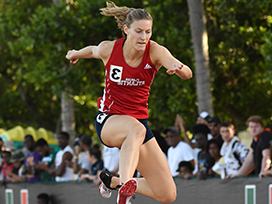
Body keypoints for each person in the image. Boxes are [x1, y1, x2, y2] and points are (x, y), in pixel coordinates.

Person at [66, 2, 192, 204]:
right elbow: (93, 50)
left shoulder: (155, 51)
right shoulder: (110, 49)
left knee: (167, 194)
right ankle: (126, 188)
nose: (144, 37)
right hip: (109, 120)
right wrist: (75, 54)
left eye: (148, 32)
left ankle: (114, 182)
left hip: (138, 124)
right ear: (126, 29)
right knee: (136, 130)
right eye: (139, 31)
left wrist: (178, 68)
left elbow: (188, 74)